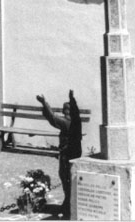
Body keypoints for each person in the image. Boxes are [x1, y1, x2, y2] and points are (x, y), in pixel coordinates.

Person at [37, 90, 82, 219]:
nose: (64, 112)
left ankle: (68, 204)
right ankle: (68, 202)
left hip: (67, 154)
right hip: (74, 153)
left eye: (64, 110)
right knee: (69, 179)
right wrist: (72, 99)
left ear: (66, 111)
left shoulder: (67, 122)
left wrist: (44, 102)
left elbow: (52, 118)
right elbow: (74, 110)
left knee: (65, 178)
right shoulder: (76, 121)